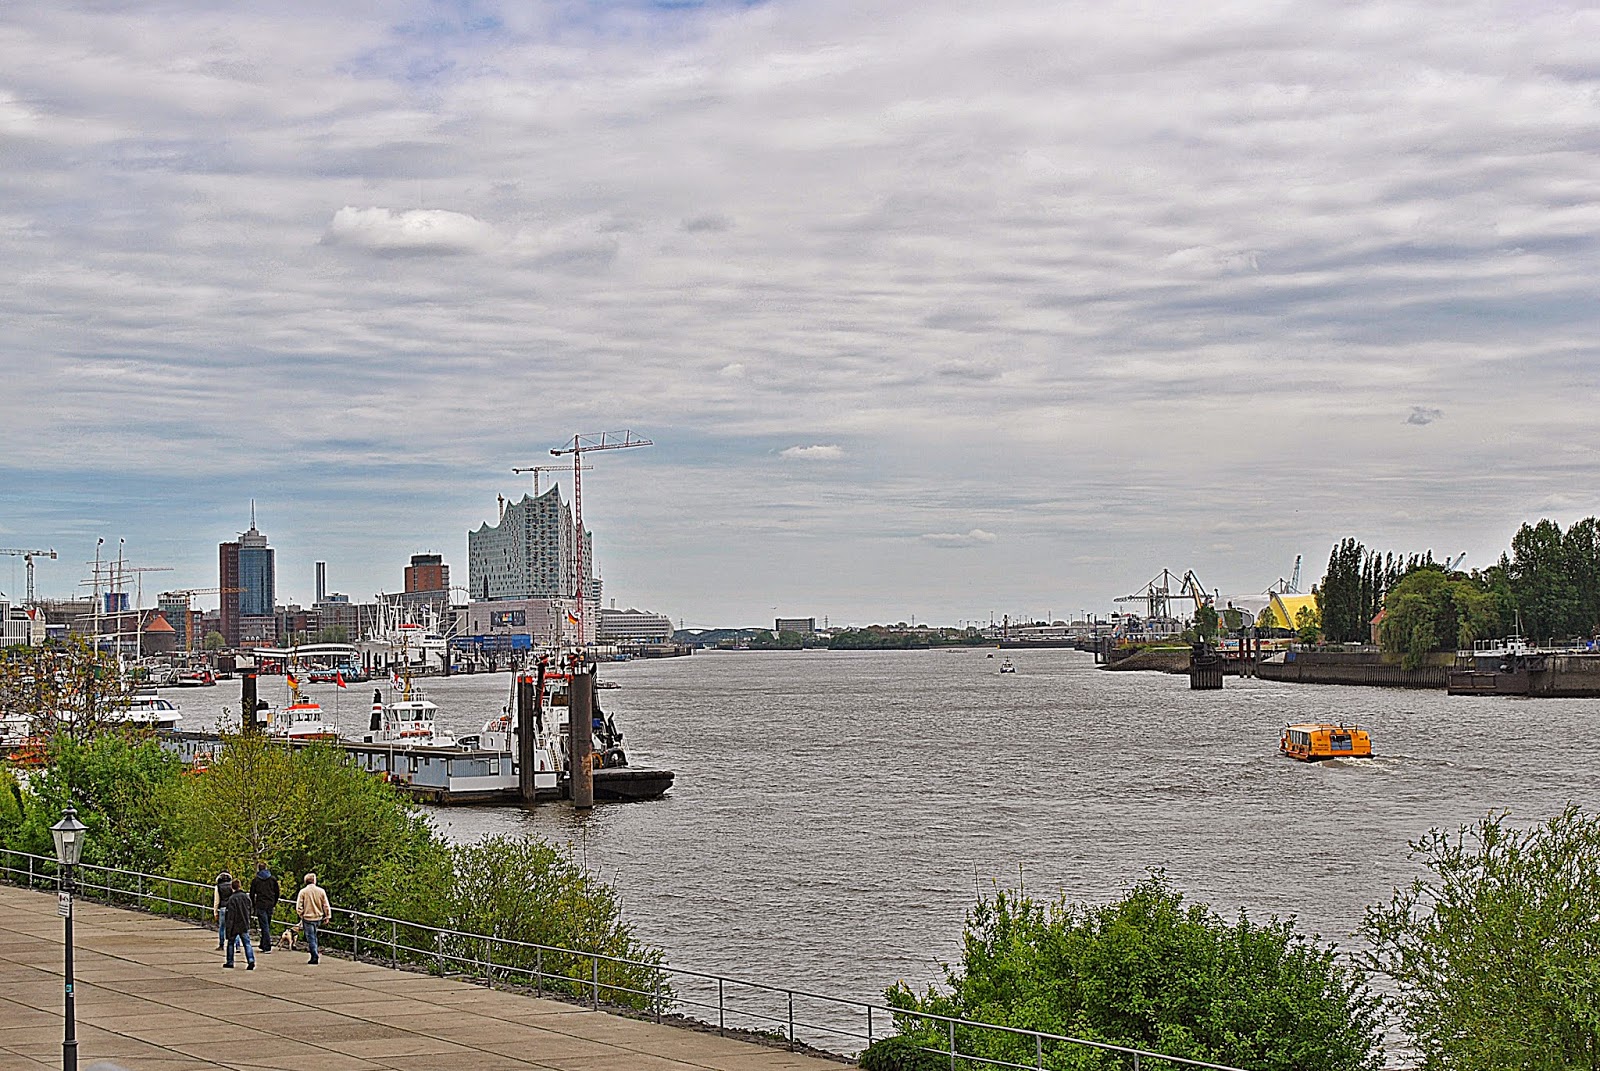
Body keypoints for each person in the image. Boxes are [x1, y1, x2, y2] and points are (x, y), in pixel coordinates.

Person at [294, 872, 331, 965]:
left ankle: (314, 955)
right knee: (314, 935)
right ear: (314, 881)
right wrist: (327, 916)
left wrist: (301, 914)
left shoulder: (303, 892)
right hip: (318, 916)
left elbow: (299, 906)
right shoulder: (321, 891)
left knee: (311, 937)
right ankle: (315, 952)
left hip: (307, 917)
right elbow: (326, 905)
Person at [223, 878, 256, 969]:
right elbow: (250, 909)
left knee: (230, 943)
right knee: (247, 943)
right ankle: (251, 960)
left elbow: (230, 915)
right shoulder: (246, 897)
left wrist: (228, 928)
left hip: (234, 924)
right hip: (244, 923)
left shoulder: (232, 899)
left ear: (232, 887)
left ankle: (230, 961)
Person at [249, 862, 280, 953]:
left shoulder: (256, 880)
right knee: (267, 925)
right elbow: (277, 892)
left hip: (260, 904)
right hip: (270, 904)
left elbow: (252, 894)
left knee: (264, 926)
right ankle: (263, 944)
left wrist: (254, 905)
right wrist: (274, 902)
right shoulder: (273, 879)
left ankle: (267, 946)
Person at [212, 870, 232, 950]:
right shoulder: (231, 886)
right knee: (233, 927)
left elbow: (216, 901)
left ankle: (221, 944)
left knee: (222, 927)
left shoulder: (218, 887)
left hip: (223, 908)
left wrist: (215, 912)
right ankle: (237, 946)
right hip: (231, 908)